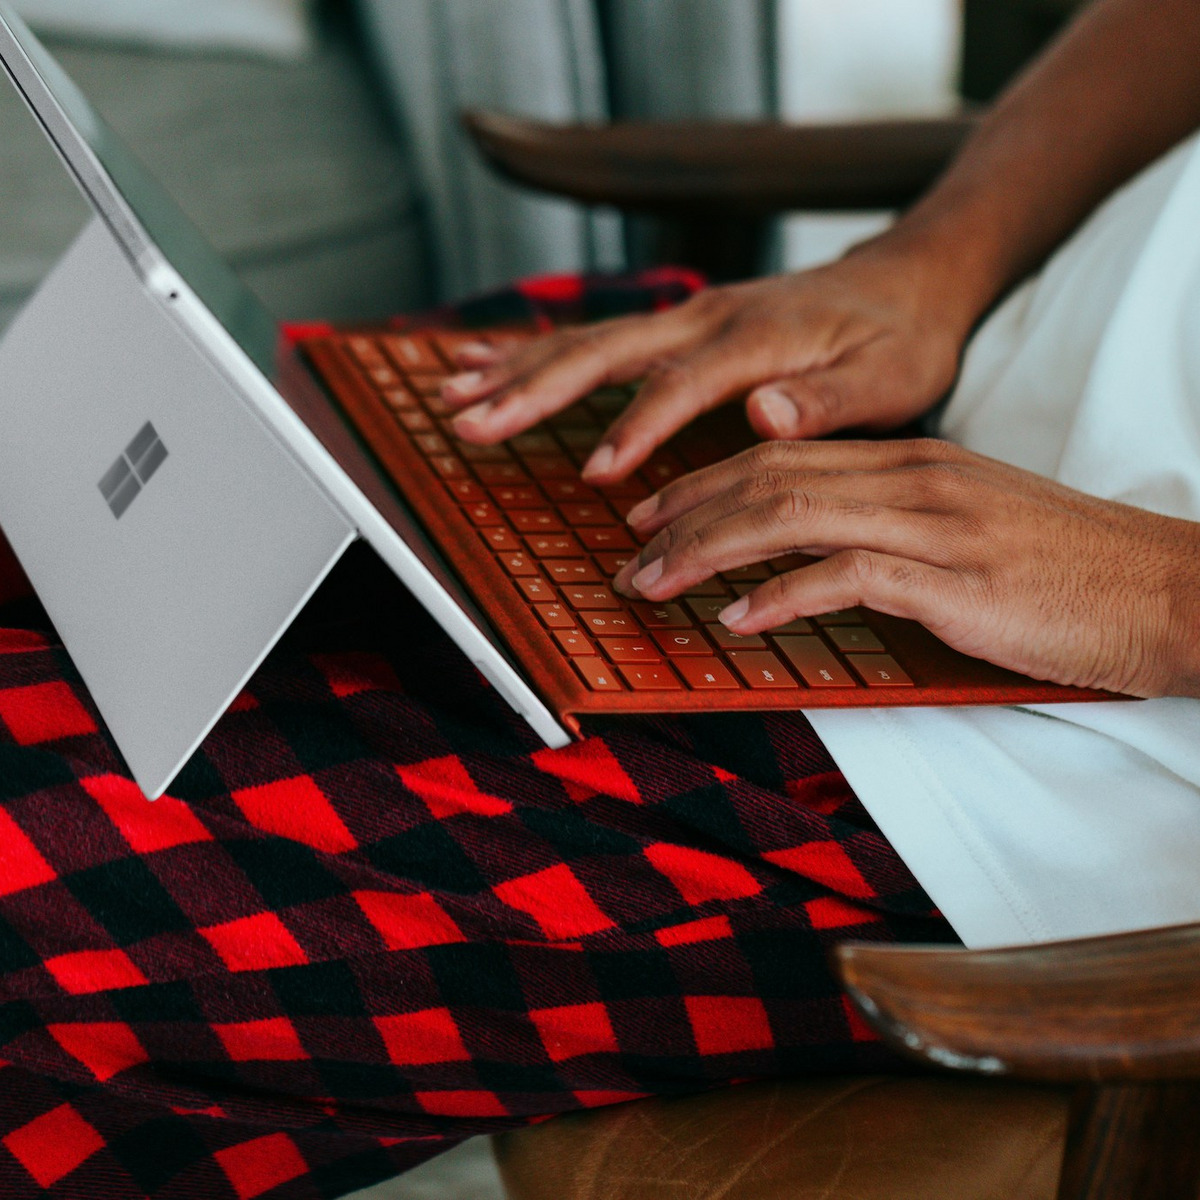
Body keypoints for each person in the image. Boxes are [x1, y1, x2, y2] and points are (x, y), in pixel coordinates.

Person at [0, 0, 1196, 1196]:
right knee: (64, 487)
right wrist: (928, 264)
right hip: (909, 411)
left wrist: (1160, 590)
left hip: (1035, 758)